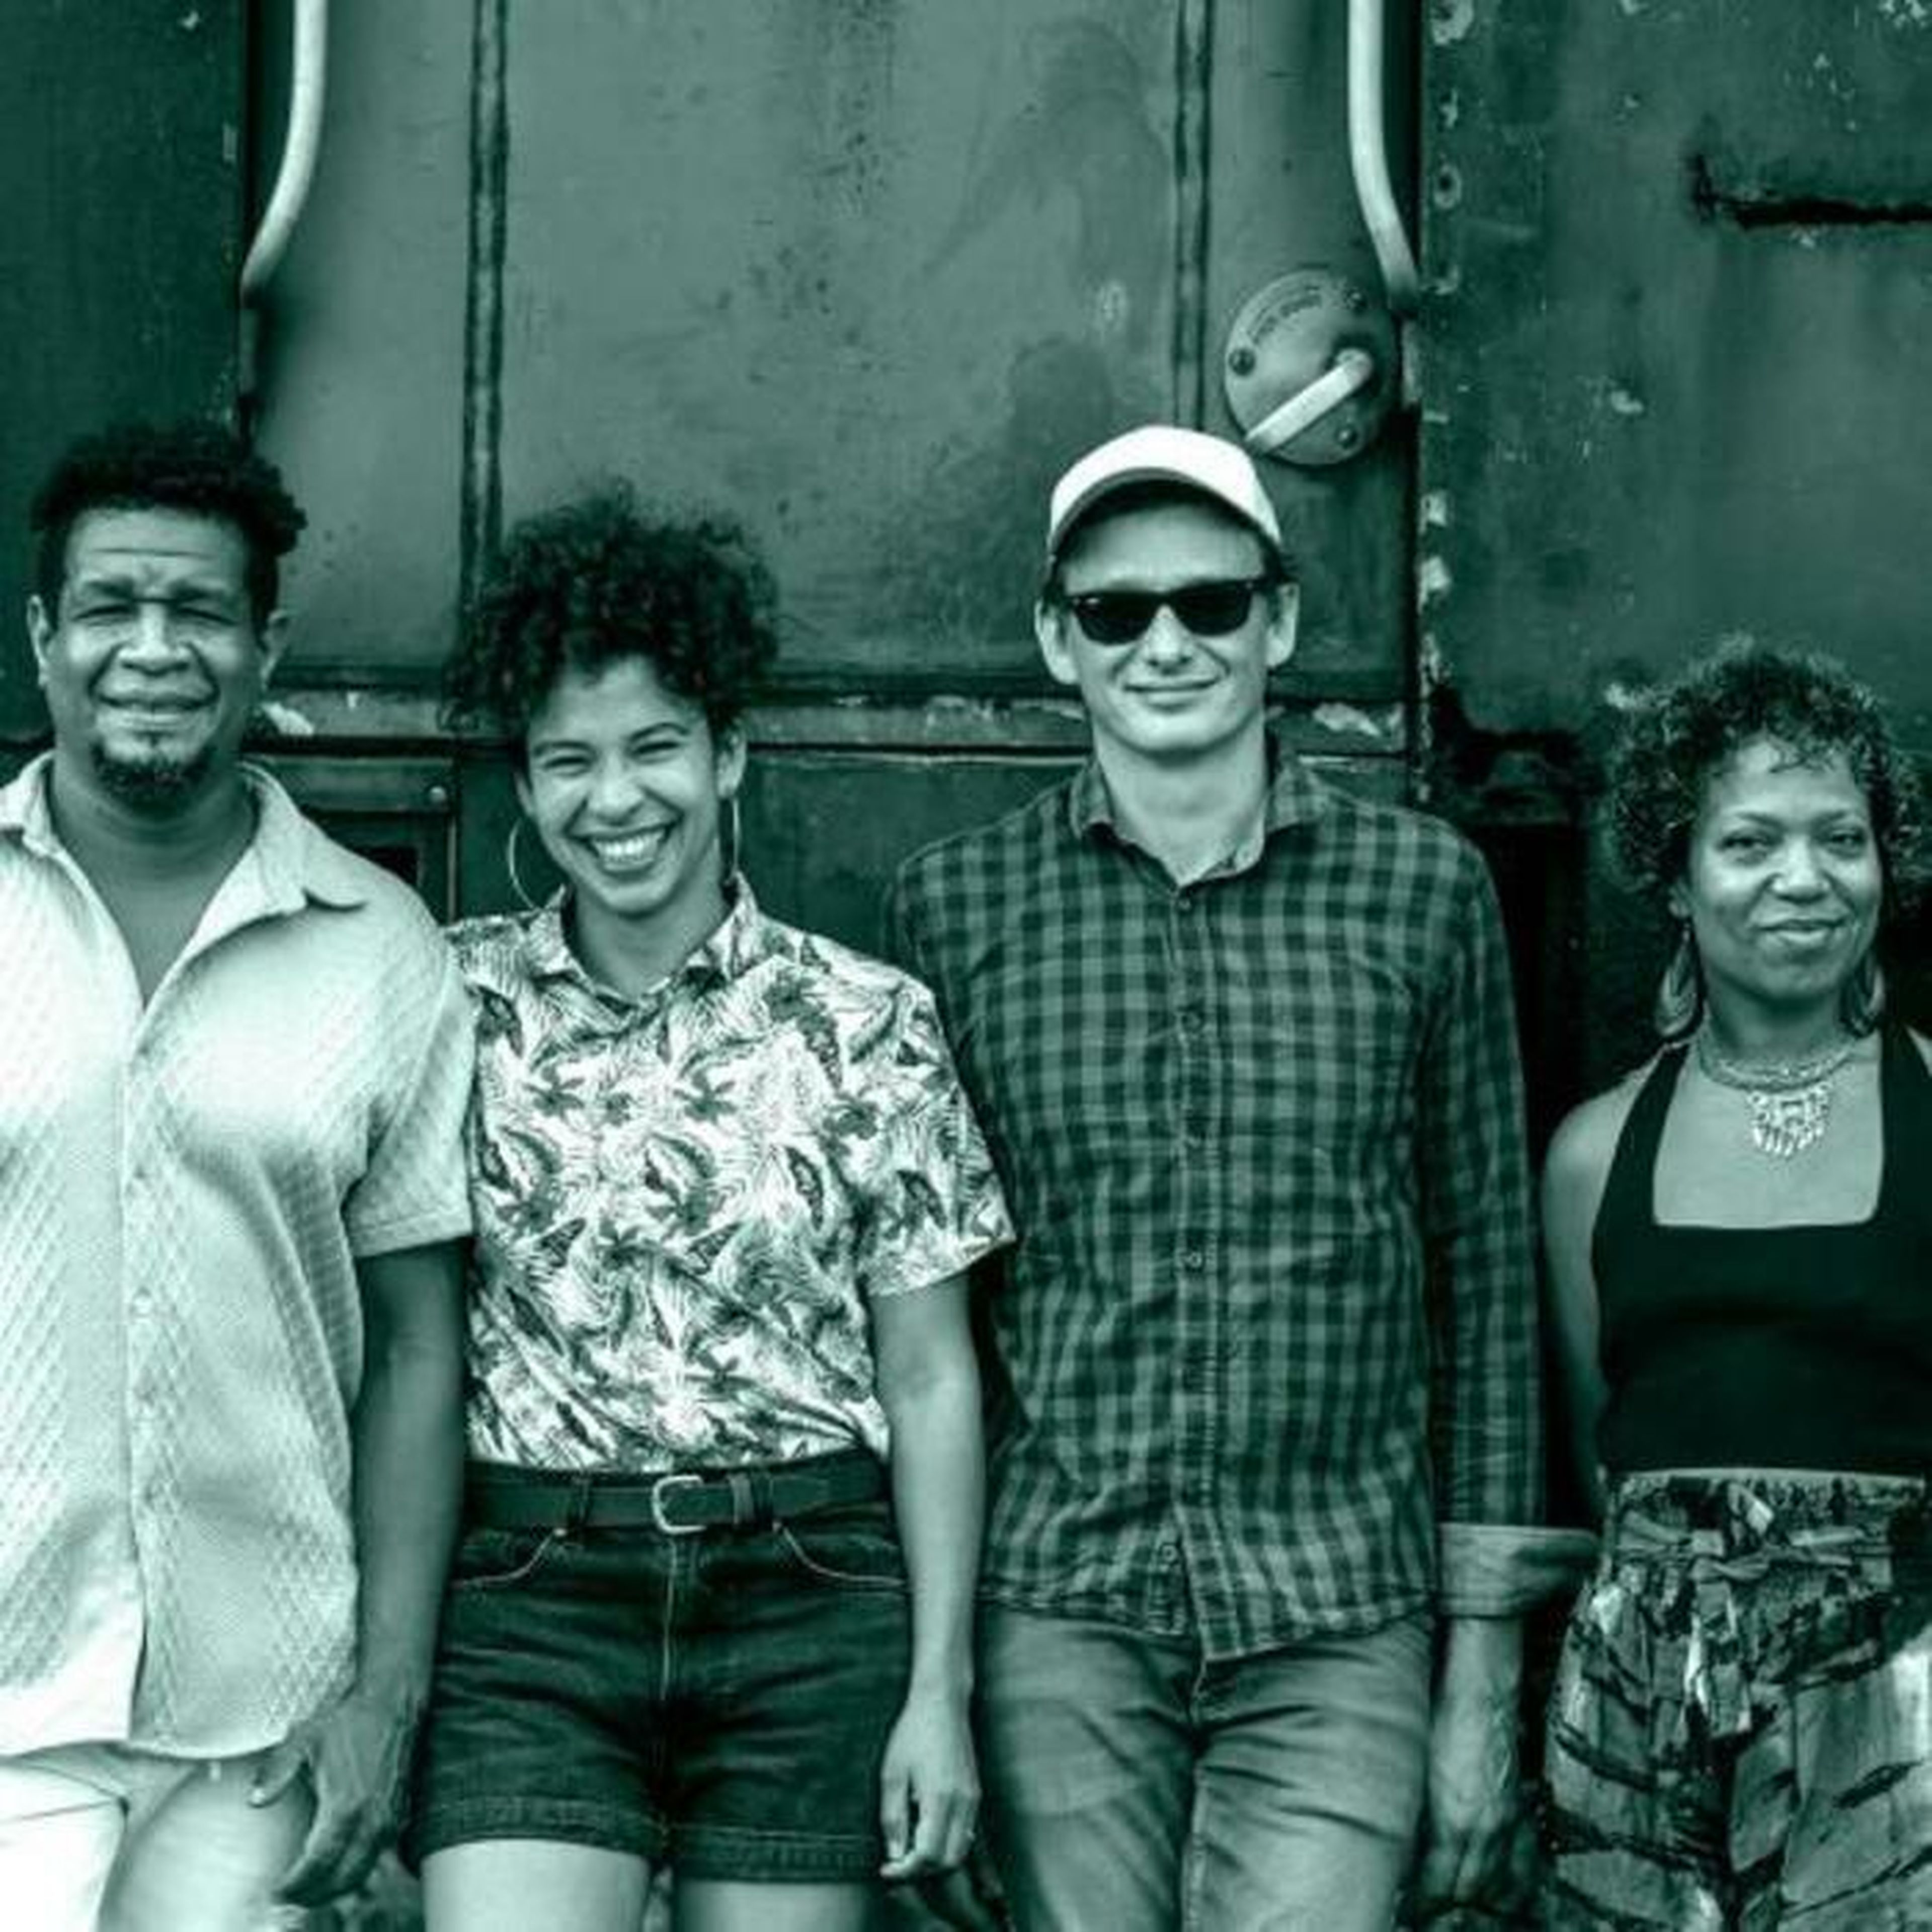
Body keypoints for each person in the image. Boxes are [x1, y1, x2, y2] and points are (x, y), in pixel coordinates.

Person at [886, 424, 1558, 1930]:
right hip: (1057, 1607)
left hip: (1340, 1608)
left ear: (1283, 621)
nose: (1168, 643)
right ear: (1058, 640)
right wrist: (929, 1681)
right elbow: (927, 1324)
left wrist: (1482, 1685)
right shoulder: (955, 908)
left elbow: (1488, 1293)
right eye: (1116, 610)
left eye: (1212, 601)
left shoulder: (1425, 891)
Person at [406, 488, 1011, 1932]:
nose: (616, 800)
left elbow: (933, 1378)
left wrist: (941, 1690)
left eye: (656, 747)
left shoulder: (864, 1019)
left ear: (728, 753)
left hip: (806, 1593)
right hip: (533, 1602)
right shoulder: (445, 1003)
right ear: (527, 786)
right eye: (569, 760)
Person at [0, 421, 474, 1929]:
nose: (152, 649)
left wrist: (383, 1696)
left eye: (198, 610)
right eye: (111, 607)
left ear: (267, 646)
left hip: (270, 1720)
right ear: (44, 636)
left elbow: (419, 1351)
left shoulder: (379, 944)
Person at [1540, 643, 1932, 1927]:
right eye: (1751, 842)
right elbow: (1605, 1450)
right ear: (1677, 877)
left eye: (1842, 840)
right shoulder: (1595, 1153)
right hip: (1642, 1720)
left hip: (1906, 1725)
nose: (1804, 879)